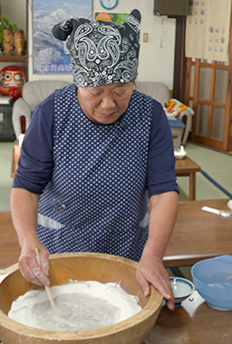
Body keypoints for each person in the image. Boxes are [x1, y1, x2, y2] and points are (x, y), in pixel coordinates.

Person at [11, 9, 178, 310]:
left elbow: (164, 191)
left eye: (121, 90)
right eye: (95, 92)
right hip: (61, 248)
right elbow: (25, 186)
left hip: (127, 245)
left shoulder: (151, 115)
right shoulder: (51, 113)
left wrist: (152, 256)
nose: (108, 104)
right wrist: (27, 240)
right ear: (78, 83)